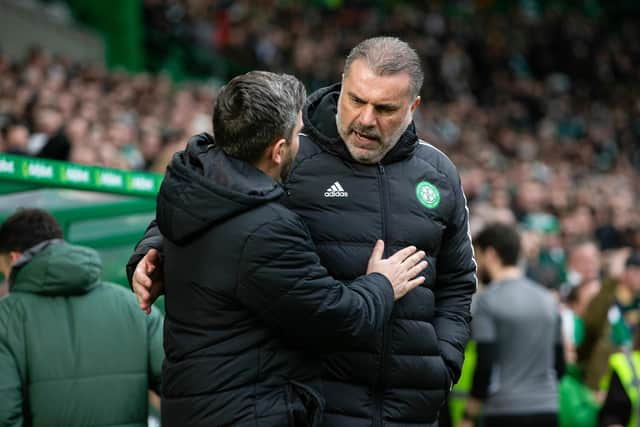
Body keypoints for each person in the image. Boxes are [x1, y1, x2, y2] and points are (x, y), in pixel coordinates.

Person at [130, 37, 476, 426]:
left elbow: (458, 280)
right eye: (356, 100)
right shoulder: (288, 150)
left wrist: (442, 364)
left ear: (412, 107)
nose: (365, 118)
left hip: (410, 411)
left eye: (384, 108)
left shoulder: (439, 173)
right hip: (316, 408)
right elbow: (203, 199)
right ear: (341, 87)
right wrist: (150, 252)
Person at [0, 208, 164, 426]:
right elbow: (182, 384)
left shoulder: (7, 316)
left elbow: (5, 414)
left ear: (15, 258)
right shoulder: (136, 306)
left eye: (3, 271)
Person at [460, 223, 562, 427]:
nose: (476, 265)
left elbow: (486, 362)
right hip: (547, 409)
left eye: (477, 256)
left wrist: (469, 415)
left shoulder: (487, 301)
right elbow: (560, 365)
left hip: (504, 409)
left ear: (490, 254)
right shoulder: (548, 301)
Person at [579, 252, 640, 391]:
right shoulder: (608, 296)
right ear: (627, 271)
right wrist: (611, 279)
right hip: (602, 373)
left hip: (630, 378)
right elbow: (590, 326)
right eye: (636, 272)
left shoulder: (637, 303)